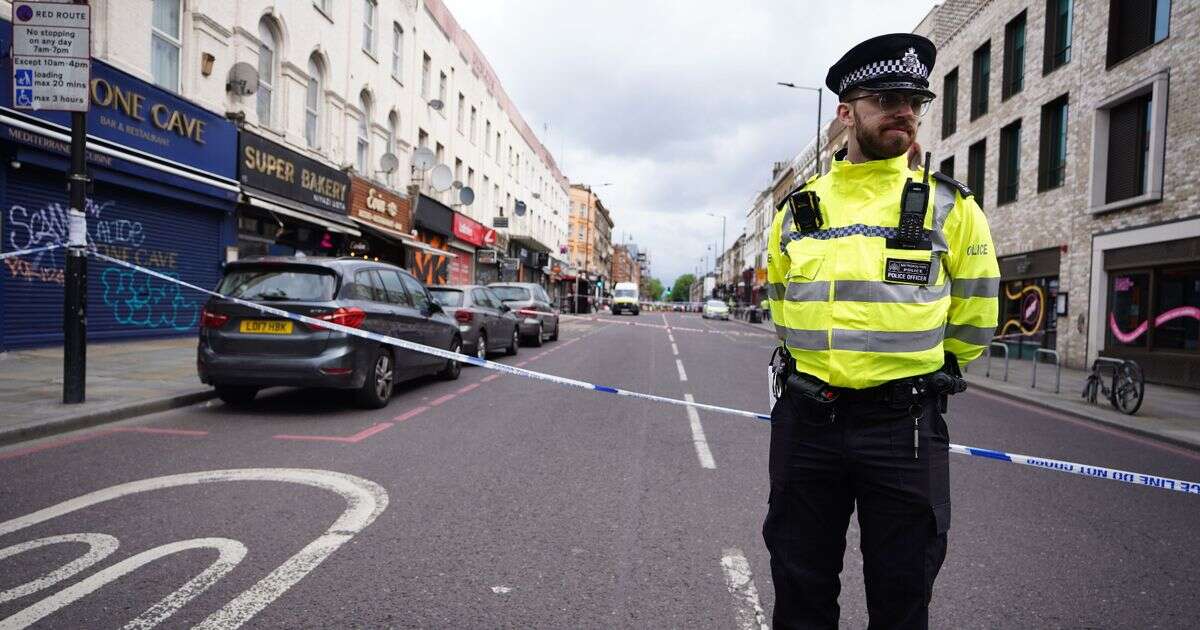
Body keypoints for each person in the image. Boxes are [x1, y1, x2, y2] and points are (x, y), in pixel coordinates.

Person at [763, 33, 999, 629]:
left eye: (915, 100)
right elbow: (783, 304)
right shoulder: (799, 208)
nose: (906, 111)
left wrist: (930, 374)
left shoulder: (950, 207)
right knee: (799, 585)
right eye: (888, 97)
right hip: (808, 421)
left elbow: (976, 312)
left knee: (902, 593)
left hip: (903, 426)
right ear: (847, 112)